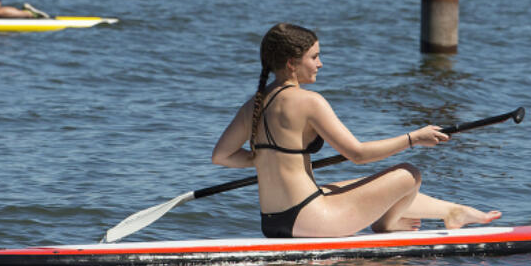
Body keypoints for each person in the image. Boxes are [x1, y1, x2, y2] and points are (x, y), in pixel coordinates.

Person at [212, 23, 501, 239]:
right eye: (314, 57)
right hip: (312, 220)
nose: (320, 63)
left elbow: (222, 156)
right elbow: (358, 154)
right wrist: (414, 138)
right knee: (408, 173)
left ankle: (452, 212)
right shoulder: (309, 102)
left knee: (347, 185)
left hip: (273, 223)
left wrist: (259, 159)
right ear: (291, 63)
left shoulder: (255, 103)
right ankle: (387, 224)